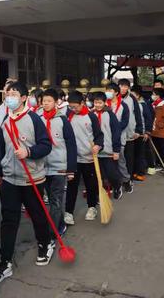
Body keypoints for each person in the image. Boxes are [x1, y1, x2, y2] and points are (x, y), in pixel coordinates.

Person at [0, 81, 53, 285]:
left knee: (37, 214)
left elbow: (46, 145)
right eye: (8, 93)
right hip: (9, 179)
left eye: (14, 93)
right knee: (9, 220)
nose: (10, 97)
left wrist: (29, 152)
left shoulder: (34, 119)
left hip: (32, 177)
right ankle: (5, 261)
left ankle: (45, 243)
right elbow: (0, 148)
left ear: (24, 98)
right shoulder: (5, 119)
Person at [38, 89, 77, 237]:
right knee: (51, 199)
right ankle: (60, 224)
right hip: (42, 166)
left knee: (55, 199)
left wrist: (71, 168)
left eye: (49, 101)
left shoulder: (63, 120)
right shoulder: (37, 118)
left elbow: (71, 145)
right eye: (44, 101)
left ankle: (52, 232)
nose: (46, 104)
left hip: (59, 166)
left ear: (56, 102)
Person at [65, 91, 103, 225]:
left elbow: (99, 135)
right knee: (72, 186)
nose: (73, 109)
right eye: (71, 107)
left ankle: (92, 208)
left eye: (75, 106)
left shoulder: (91, 117)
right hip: (73, 159)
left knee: (90, 185)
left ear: (82, 103)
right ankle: (68, 212)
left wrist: (98, 146)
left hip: (89, 158)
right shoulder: (68, 116)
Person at [92, 91, 123, 200]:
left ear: (105, 102)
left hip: (109, 150)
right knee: (100, 174)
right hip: (96, 151)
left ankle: (117, 186)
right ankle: (104, 191)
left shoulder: (110, 115)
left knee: (111, 173)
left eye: (100, 103)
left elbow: (116, 133)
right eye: (95, 103)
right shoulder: (91, 114)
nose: (97, 105)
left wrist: (116, 150)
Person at [106, 83, 132, 193]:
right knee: (108, 163)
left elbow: (125, 122)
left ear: (116, 92)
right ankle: (112, 184)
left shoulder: (123, 106)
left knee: (120, 161)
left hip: (119, 138)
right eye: (107, 90)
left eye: (110, 90)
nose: (108, 93)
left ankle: (126, 180)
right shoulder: (104, 105)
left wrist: (114, 128)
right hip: (106, 139)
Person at [118, 79, 143, 184]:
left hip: (130, 133)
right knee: (119, 158)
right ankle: (120, 178)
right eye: (121, 86)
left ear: (128, 88)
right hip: (118, 133)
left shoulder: (132, 98)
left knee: (129, 157)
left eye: (125, 86)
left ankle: (129, 178)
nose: (123, 88)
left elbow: (137, 114)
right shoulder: (114, 98)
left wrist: (138, 130)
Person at [131, 85, 155, 178]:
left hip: (142, 133)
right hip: (134, 134)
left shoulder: (143, 105)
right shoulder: (131, 105)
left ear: (137, 95)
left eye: (133, 95)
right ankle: (135, 171)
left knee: (142, 153)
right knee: (135, 153)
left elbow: (148, 119)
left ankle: (142, 172)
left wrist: (147, 132)